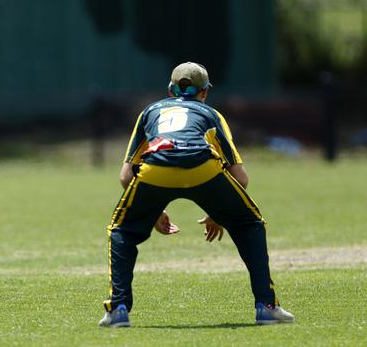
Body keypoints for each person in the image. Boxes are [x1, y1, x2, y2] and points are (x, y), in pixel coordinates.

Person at [98, 62, 294, 327]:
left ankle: (117, 310)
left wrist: (153, 208)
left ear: (170, 90)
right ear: (205, 92)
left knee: (122, 231)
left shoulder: (150, 111)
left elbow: (125, 175)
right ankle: (267, 307)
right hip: (202, 167)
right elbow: (241, 178)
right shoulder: (211, 114)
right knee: (250, 225)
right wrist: (219, 212)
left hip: (156, 168)